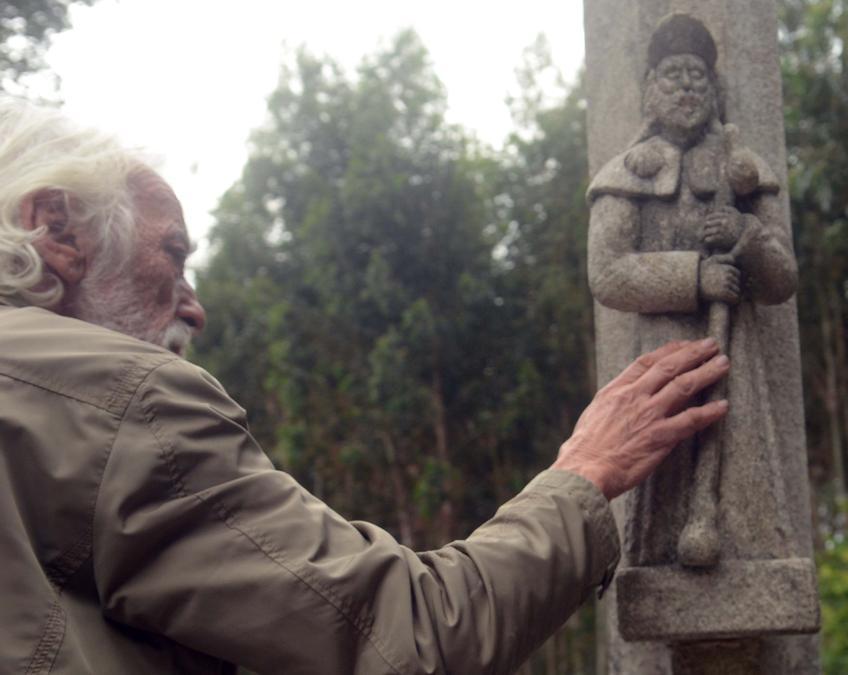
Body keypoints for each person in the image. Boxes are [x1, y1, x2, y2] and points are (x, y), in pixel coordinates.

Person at [0, 98, 729, 674]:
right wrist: (585, 472)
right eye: (173, 255)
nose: (195, 305)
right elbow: (414, 635)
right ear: (55, 229)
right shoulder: (124, 401)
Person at [587, 14, 803, 569]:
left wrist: (747, 237)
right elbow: (607, 273)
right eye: (672, 75)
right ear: (648, 91)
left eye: (697, 77)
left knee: (743, 484)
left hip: (736, 363)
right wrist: (693, 276)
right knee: (665, 477)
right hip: (663, 360)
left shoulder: (744, 171)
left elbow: (781, 281)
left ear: (716, 90)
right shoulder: (625, 175)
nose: (686, 87)